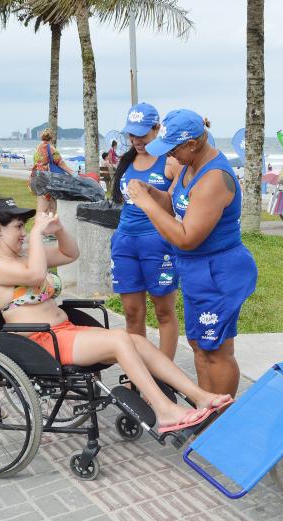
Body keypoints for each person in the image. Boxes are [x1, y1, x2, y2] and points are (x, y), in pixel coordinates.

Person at [0, 197, 232, 432]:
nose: (23, 233)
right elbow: (34, 276)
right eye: (18, 227)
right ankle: (164, 410)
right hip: (40, 342)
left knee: (138, 342)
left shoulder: (27, 257)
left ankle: (199, 396)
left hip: (63, 334)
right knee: (120, 338)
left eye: (24, 227)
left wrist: (59, 229)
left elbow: (70, 254)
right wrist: (36, 235)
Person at [127, 109, 258, 398]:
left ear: (192, 144)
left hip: (219, 271)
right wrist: (151, 193)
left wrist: (145, 205)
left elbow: (186, 238)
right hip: (196, 270)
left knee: (217, 350)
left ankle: (221, 421)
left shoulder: (213, 179)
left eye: (172, 150)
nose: (169, 157)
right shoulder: (188, 166)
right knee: (199, 345)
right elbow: (175, 205)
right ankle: (205, 410)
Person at [109, 103, 181, 359]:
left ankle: (165, 375)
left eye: (142, 133)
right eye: (132, 134)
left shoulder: (170, 161)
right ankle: (137, 374)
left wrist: (151, 192)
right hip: (125, 242)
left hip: (158, 242)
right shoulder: (127, 161)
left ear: (157, 129)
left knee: (163, 312)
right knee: (132, 313)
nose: (136, 140)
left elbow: (176, 206)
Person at [31, 128, 74, 215]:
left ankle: (48, 225)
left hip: (37, 177)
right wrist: (73, 173)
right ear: (52, 138)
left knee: (46, 204)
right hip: (47, 179)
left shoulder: (37, 148)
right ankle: (45, 225)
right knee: (47, 208)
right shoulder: (50, 148)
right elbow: (60, 163)